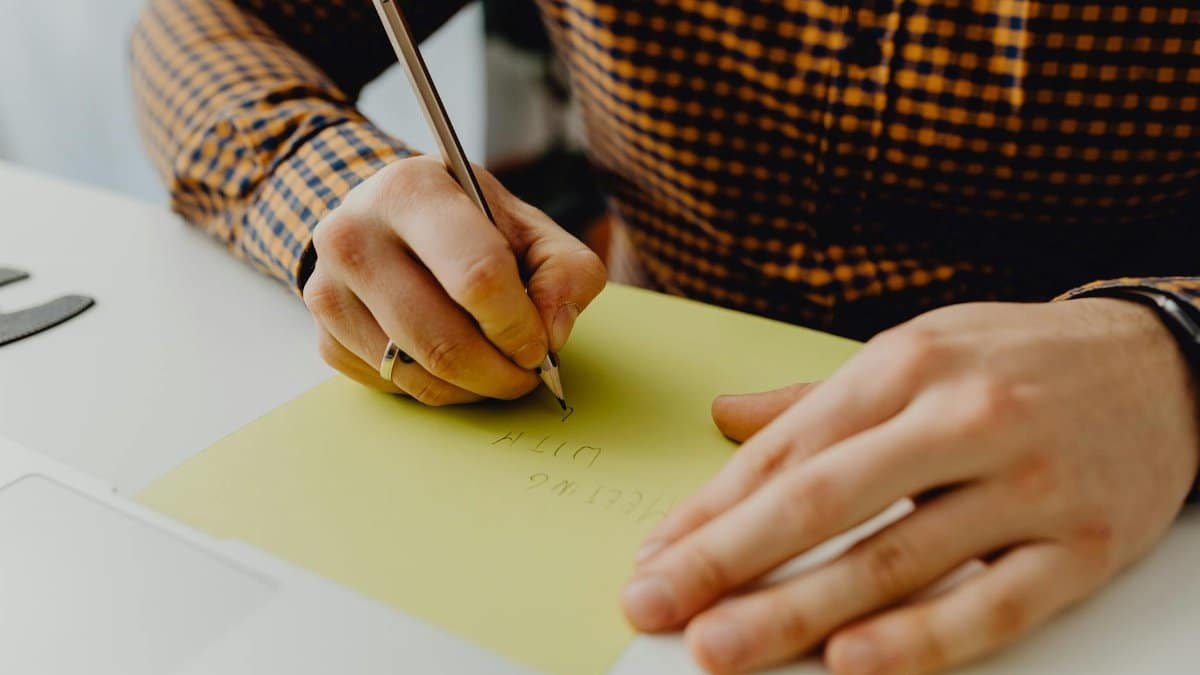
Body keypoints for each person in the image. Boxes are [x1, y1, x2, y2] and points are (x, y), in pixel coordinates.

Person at [130, 2, 1200, 673]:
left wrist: (1175, 352)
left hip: (1120, 531)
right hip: (626, 365)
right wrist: (340, 187)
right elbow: (207, 23)